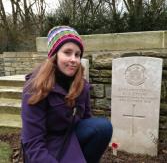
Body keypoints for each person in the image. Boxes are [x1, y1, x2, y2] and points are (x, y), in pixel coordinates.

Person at [21, 26, 113, 163]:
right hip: (46, 145)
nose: (74, 59)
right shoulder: (35, 87)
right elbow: (32, 141)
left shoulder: (81, 85)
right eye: (67, 52)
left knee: (103, 127)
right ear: (54, 55)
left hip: (70, 137)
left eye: (77, 54)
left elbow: (87, 121)